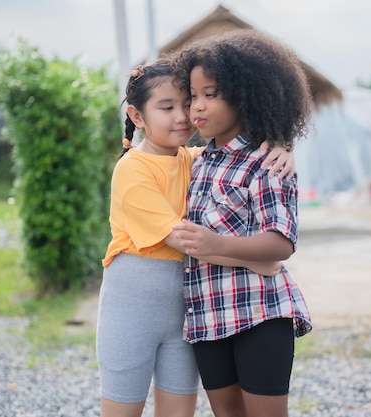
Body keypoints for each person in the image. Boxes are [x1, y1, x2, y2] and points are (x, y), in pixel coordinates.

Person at [96, 57, 295, 417]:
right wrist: (262, 262)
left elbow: (241, 156)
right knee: (122, 410)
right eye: (166, 107)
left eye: (186, 104)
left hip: (186, 307)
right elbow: (189, 241)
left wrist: (280, 144)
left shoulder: (197, 159)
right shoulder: (132, 169)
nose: (183, 116)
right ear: (138, 117)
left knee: (178, 411)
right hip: (132, 307)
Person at [171, 29, 313, 417]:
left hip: (259, 313)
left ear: (246, 95)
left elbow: (280, 242)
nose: (196, 107)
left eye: (211, 94)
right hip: (207, 314)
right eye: (193, 96)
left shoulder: (266, 163)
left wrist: (215, 245)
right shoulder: (196, 161)